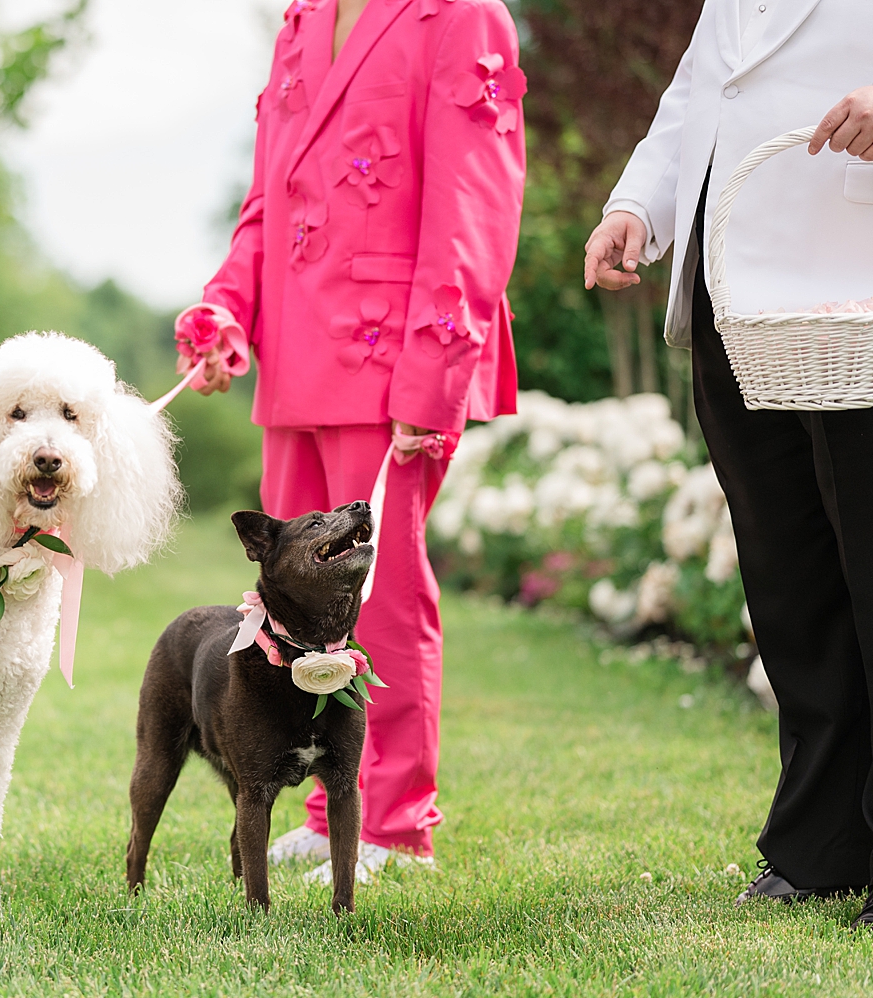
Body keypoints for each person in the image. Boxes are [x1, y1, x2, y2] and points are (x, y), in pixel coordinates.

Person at [177, 0, 526, 880]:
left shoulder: (462, 16)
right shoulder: (302, 19)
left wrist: (435, 369)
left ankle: (397, 821)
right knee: (297, 603)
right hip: (294, 363)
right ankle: (335, 803)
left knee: (386, 594)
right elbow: (270, 197)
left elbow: (475, 202)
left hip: (395, 357)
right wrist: (229, 308)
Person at [583, 0, 873, 924]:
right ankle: (821, 846)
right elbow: (703, 89)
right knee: (789, 578)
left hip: (851, 281)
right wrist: (637, 203)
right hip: (736, 291)